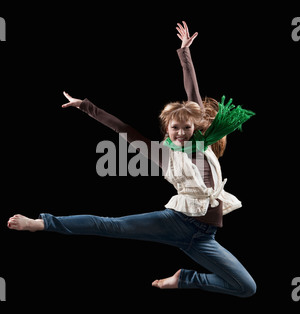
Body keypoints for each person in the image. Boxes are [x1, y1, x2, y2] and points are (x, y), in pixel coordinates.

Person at [7, 22, 256, 297]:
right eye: (175, 128)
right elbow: (122, 129)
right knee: (110, 225)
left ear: (194, 128)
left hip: (204, 238)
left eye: (187, 127)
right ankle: (41, 223)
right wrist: (86, 106)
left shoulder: (204, 143)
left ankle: (184, 279)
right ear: (167, 131)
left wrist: (185, 54)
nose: (182, 132)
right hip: (178, 222)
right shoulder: (164, 153)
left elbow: (193, 96)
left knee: (246, 288)